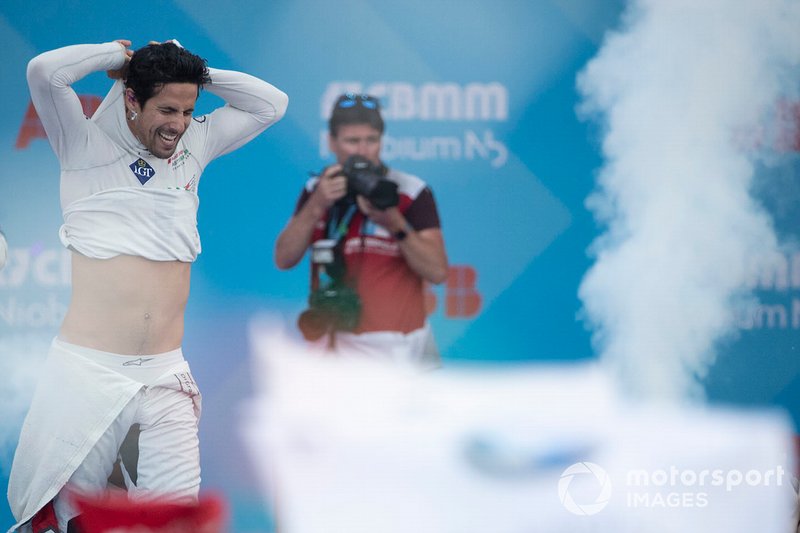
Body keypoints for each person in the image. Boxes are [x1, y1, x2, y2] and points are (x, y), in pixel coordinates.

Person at [8, 39, 287, 533]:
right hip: (87, 374)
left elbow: (271, 104)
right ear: (132, 99)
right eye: (166, 109)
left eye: (187, 109)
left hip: (165, 378)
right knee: (58, 526)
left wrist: (197, 74)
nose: (178, 124)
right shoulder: (83, 144)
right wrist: (119, 58)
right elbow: (44, 71)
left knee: (177, 524)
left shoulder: (195, 144)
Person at [274, 93, 447, 367]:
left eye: (371, 140)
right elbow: (284, 258)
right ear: (332, 142)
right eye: (353, 141)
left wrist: (395, 224)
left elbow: (437, 271)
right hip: (331, 341)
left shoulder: (409, 191)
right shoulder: (317, 189)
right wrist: (317, 204)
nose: (363, 151)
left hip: (397, 348)